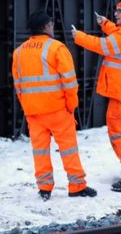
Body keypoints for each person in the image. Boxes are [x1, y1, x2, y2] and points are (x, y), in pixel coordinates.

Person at [12, 11, 97, 201]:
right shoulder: (57, 48)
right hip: (58, 110)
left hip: (34, 113)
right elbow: (69, 82)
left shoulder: (18, 52)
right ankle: (76, 185)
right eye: (51, 24)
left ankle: (44, 188)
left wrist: (28, 108)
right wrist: (71, 106)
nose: (53, 27)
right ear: (46, 27)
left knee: (40, 151)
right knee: (68, 149)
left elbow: (18, 85)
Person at [71, 0, 121, 192]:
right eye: (116, 11)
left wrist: (78, 36)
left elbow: (104, 46)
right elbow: (118, 34)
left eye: (119, 11)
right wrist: (104, 23)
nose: (116, 13)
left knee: (117, 131)